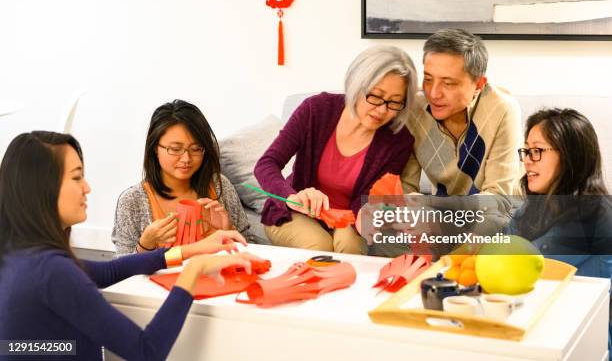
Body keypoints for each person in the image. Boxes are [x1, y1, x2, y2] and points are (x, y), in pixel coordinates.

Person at [0, 131, 263, 360]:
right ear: (42, 187)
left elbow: (107, 272)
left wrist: (194, 249)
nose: (87, 188)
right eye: (77, 177)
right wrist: (195, 270)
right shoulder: (52, 271)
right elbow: (146, 351)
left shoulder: (17, 252)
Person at [254, 45, 418, 254]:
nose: (382, 110)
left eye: (395, 103)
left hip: (347, 217)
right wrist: (292, 197)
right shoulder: (316, 109)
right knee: (319, 245)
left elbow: (370, 196)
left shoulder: (398, 141)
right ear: (355, 85)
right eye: (375, 96)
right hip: (294, 213)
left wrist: (368, 217)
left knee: (349, 245)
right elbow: (266, 164)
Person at [509, 108, 612, 357]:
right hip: (533, 329)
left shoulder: (598, 213)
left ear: (570, 156)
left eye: (538, 150)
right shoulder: (530, 209)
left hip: (582, 340)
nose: (527, 159)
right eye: (526, 151)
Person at [112, 100, 254, 256]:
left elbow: (249, 249)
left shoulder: (219, 186)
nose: (186, 158)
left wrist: (227, 231)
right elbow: (121, 272)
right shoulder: (132, 202)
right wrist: (145, 245)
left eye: (196, 149)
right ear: (154, 148)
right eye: (175, 149)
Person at [402, 28, 522, 197]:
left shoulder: (502, 108)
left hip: (503, 217)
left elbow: (498, 197)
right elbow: (403, 189)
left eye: (448, 83)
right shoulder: (414, 109)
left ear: (479, 84)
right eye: (428, 79)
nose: (434, 93)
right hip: (442, 214)